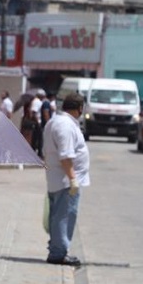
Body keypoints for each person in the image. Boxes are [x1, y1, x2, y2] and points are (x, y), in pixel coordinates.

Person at [42, 93, 90, 267]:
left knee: (58, 216)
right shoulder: (65, 126)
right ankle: (59, 252)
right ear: (79, 108)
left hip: (58, 178)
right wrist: (73, 179)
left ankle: (56, 249)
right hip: (65, 180)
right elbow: (66, 156)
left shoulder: (56, 122)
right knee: (64, 216)